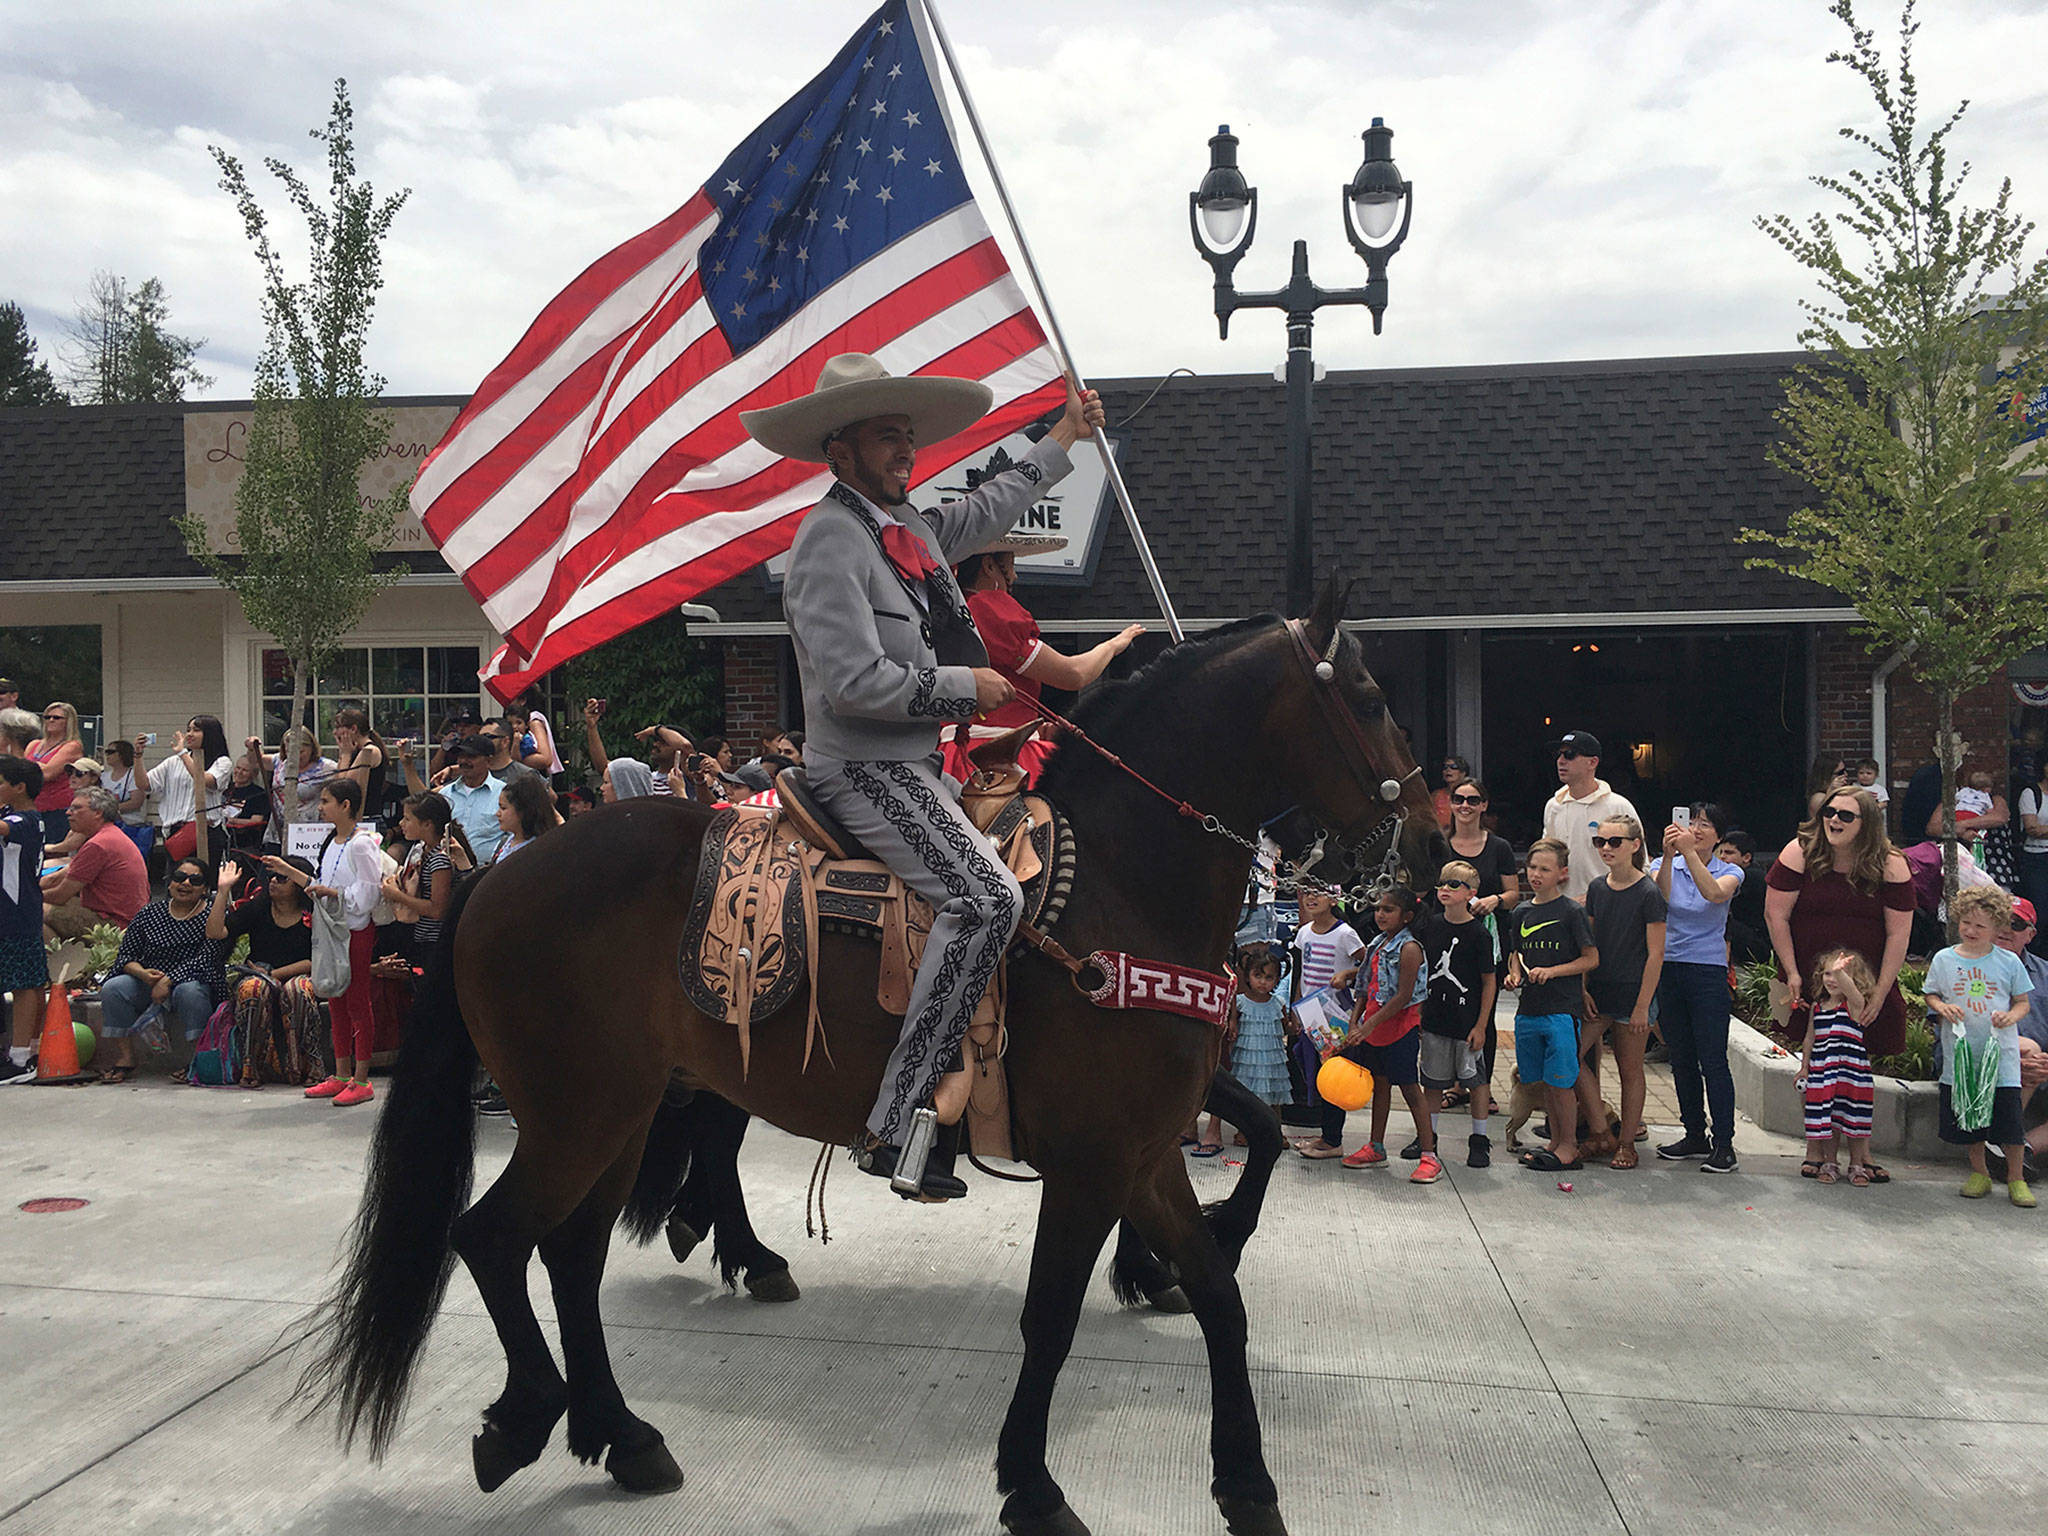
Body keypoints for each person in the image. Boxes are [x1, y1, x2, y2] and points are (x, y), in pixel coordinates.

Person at [744, 350, 1103, 1200]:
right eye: (885, 435)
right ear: (839, 450)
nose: (905, 449)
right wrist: (963, 687)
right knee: (988, 897)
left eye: (907, 435)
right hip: (863, 771)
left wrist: (1063, 438)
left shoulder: (900, 531)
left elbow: (984, 510)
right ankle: (895, 1119)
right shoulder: (830, 541)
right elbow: (851, 684)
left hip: (918, 769)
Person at [942, 532, 1144, 784]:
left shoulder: (947, 611)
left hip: (951, 755)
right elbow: (1074, 674)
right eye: (1011, 565)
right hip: (1001, 755)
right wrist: (1114, 645)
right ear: (989, 566)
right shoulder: (988, 609)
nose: (1014, 575)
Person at [1764, 785, 1915, 1059]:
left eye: (1846, 816)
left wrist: (1880, 993)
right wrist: (1791, 971)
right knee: (1811, 1064)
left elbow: (1899, 934)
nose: (1834, 820)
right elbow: (1776, 916)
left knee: (1860, 1061)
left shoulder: (1891, 863)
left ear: (1866, 824)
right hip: (1810, 975)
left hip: (1865, 978)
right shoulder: (1799, 852)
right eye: (1829, 812)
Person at [269, 777, 382, 1107]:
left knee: (358, 1002)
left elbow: (369, 891)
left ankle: (362, 1078)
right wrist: (288, 870)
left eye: (326, 801)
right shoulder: (333, 841)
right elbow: (320, 883)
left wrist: (334, 894)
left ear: (346, 805)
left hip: (355, 931)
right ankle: (342, 1074)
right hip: (333, 929)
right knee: (335, 998)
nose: (320, 807)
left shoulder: (362, 844)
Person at [1924, 885, 2034, 1207]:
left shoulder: (2008, 963)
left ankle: (2016, 1177)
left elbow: (2022, 1002)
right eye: (1966, 923)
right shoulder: (1944, 959)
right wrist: (1941, 1008)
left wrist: (2010, 1016)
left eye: (1980, 926)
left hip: (2001, 1060)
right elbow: (1932, 995)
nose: (1971, 931)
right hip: (1961, 1057)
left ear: (1997, 928)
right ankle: (1979, 1172)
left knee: (2010, 1122)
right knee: (1971, 1119)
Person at [1650, 804, 1745, 1169]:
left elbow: (1714, 895)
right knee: (1681, 1057)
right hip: (1670, 964)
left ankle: (1724, 1142)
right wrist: (1672, 854)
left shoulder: (1731, 871)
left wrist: (1689, 853)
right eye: (1692, 822)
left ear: (1719, 836)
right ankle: (1694, 1133)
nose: (1695, 828)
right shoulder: (1664, 863)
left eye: (1705, 825)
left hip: (1707, 970)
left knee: (1713, 1059)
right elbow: (1663, 898)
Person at [1502, 839, 1598, 1172]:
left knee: (1561, 1082)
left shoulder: (1571, 912)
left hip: (1561, 1008)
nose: (1537, 875)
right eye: (1532, 868)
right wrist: (1514, 974)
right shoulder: (1521, 912)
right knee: (1541, 1082)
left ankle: (1568, 1145)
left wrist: (1553, 971)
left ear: (1562, 873)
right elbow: (1517, 955)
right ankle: (1554, 1141)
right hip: (1529, 1010)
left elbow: (1590, 958)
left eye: (1545, 869)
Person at [1328, 886, 1432, 1178]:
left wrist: (1368, 1025)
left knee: (1410, 1089)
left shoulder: (1410, 948)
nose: (1380, 914)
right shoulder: (1376, 943)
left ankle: (1428, 1154)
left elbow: (1403, 996)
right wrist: (1354, 1021)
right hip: (1373, 1030)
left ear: (1407, 916)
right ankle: (1376, 1145)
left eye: (1389, 910)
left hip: (1399, 1030)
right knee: (1380, 1085)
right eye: (1378, 909)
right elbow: (1363, 986)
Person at [94, 855, 226, 1083]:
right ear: (170, 881)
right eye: (179, 877)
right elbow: (126, 955)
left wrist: (169, 981)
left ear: (204, 888)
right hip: (148, 980)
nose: (185, 884)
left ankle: (198, 1059)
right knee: (114, 988)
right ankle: (126, 1057)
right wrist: (143, 974)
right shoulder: (149, 914)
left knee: (191, 992)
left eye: (194, 881)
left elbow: (207, 959)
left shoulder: (209, 915)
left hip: (192, 980)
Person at [1584, 814, 1666, 1168]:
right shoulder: (1597, 888)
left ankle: (1627, 1142)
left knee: (1629, 1068)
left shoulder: (1648, 892)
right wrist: (1583, 988)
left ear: (1635, 845)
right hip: (1599, 990)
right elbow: (1588, 943)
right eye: (1600, 842)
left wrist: (1643, 1005)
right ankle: (1602, 1130)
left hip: (1633, 991)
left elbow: (1656, 953)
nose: (1605, 848)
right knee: (1568, 1057)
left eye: (1614, 841)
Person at [207, 852, 323, 1086]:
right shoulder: (259, 908)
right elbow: (215, 932)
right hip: (258, 973)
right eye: (271, 877)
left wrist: (273, 976)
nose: (272, 882)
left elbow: (315, 959)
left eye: (281, 878)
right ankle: (252, 1066)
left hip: (301, 973)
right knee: (253, 989)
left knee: (297, 990)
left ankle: (305, 1065)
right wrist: (222, 892)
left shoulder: (315, 912)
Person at [1416, 861, 1498, 1168]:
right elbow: (1424, 971)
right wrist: (1420, 1012)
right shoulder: (1432, 926)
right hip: (1436, 1018)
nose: (1445, 890)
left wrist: (1481, 1025)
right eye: (1442, 884)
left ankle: (1479, 1140)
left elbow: (1489, 980)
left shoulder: (1479, 934)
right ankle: (1428, 1136)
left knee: (1475, 1081)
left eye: (1454, 885)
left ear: (1471, 894)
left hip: (1467, 1023)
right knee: (1433, 1081)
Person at [1287, 885, 1367, 1159]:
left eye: (1318, 893)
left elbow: (1369, 965)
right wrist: (1296, 1007)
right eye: (1307, 892)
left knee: (1334, 1076)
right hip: (1310, 1015)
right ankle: (1326, 1133)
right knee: (1313, 1073)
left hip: (1335, 1017)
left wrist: (1348, 973)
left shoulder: (1345, 934)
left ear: (1333, 900)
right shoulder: (1304, 933)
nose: (1311, 898)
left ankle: (1334, 1139)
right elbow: (1302, 972)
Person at [1797, 948, 1879, 1186]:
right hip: (1824, 1072)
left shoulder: (1854, 1006)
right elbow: (1809, 1038)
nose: (1831, 979)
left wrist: (1841, 973)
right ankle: (1830, 1161)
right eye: (1827, 974)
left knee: (1855, 1119)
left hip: (1852, 1073)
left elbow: (1853, 993)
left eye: (1837, 974)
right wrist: (1804, 1068)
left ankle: (1856, 1163)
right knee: (1828, 1119)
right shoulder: (1818, 1007)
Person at [40, 786, 149, 941]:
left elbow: (60, 896)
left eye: (76, 808)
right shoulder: (109, 835)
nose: (68, 812)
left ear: (98, 813)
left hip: (116, 926)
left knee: (30, 910)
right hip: (128, 919)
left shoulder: (98, 845)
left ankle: (55, 962)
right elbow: (56, 878)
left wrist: (25, 897)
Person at [1541, 731, 1639, 902]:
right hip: (1563, 908)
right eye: (1558, 755)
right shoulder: (1554, 805)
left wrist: (1597, 896)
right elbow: (1547, 854)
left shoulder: (1617, 806)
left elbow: (1639, 864)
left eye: (1569, 755)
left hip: (1608, 908)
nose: (1561, 761)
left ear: (1592, 762)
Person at [0, 757, 48, 1083]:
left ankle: (21, 1057)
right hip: (12, 910)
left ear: (19, 787)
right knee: (23, 981)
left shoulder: (27, 819)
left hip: (17, 909)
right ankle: (24, 1048)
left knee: (25, 983)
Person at [1993, 898, 2048, 1175]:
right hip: (1977, 1058)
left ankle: (2020, 1149)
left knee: (2033, 1055)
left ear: (2031, 934)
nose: (2005, 929)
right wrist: (2012, 1053)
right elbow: (1950, 1025)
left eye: (2016, 924)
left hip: (2037, 1067)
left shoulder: (2045, 974)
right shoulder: (1964, 962)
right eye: (1999, 920)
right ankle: (2008, 1143)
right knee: (2027, 1049)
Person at [379, 792, 457, 963]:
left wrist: (397, 896)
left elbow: (437, 909)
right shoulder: (420, 850)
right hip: (415, 935)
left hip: (433, 941)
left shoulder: (440, 859)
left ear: (427, 824)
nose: (401, 824)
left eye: (407, 819)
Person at [144, 716, 234, 863]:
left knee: (204, 879)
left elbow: (204, 780)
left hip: (206, 830)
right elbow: (144, 784)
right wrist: (138, 756)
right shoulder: (173, 762)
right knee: (177, 879)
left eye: (196, 730)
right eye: (188, 730)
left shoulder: (222, 761)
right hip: (177, 831)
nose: (190, 734)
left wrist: (182, 753)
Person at [406, 735, 505, 863]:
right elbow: (421, 813)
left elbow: (513, 836)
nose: (464, 761)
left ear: (489, 761)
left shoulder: (503, 794)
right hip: (447, 872)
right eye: (461, 756)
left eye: (471, 757)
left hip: (487, 874)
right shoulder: (445, 793)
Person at [254, 731, 338, 847]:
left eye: (301, 752)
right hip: (278, 833)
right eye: (290, 752)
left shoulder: (325, 767)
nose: (296, 756)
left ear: (311, 748)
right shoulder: (280, 761)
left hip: (307, 835)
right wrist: (252, 748)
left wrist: (346, 753)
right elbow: (257, 761)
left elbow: (343, 780)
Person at [26, 700, 84, 845]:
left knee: (53, 852)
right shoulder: (34, 744)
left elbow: (48, 774)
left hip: (57, 810)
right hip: (32, 807)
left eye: (56, 717)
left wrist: (30, 766)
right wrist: (40, 766)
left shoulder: (72, 746)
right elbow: (20, 771)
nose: (51, 720)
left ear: (68, 722)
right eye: (47, 717)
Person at [1716, 828, 1770, 965]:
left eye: (1729, 853)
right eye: (1721, 852)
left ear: (1746, 857)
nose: (1722, 857)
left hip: (1757, 944)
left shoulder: (1751, 877)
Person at [330, 708, 390, 826]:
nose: (334, 732)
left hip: (368, 819)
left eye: (338, 727)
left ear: (353, 729)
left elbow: (343, 788)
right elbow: (335, 782)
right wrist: (344, 754)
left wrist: (346, 754)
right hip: (354, 819)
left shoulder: (369, 751)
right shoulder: (354, 751)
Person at [491, 773, 559, 861]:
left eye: (503, 808)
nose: (498, 813)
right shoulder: (505, 843)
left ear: (523, 811)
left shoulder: (537, 850)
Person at [2017, 763, 2048, 953]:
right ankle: (2036, 955)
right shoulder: (2031, 793)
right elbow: (2032, 828)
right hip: (2036, 858)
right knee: (2041, 910)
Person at [219, 756, 273, 853]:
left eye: (245, 770)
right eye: (238, 768)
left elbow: (256, 820)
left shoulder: (259, 794)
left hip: (243, 842)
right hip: (219, 835)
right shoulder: (224, 789)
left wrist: (232, 821)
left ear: (254, 774)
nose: (239, 772)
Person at [1432, 756, 1471, 830]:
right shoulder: (1436, 795)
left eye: (1453, 767)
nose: (1448, 770)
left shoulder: (1470, 794)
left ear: (1463, 773)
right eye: (1445, 767)